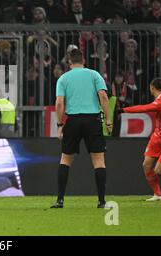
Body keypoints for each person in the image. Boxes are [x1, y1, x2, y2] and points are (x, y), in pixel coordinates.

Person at [52, 48, 112, 209]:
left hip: (73, 120)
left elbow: (59, 103)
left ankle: (60, 200)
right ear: (83, 60)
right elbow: (103, 97)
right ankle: (101, 201)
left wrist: (59, 125)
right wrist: (108, 119)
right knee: (98, 160)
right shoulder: (94, 75)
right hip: (92, 119)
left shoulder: (63, 78)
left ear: (69, 62)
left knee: (65, 159)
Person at [119, 78, 161, 201]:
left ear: (152, 88)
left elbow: (143, 108)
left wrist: (124, 110)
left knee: (158, 170)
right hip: (158, 136)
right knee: (146, 165)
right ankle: (158, 195)